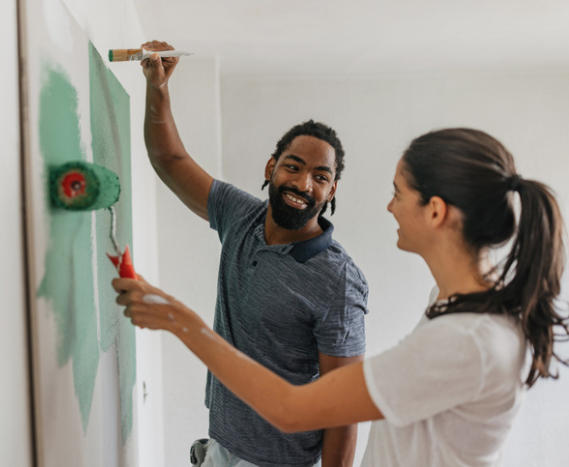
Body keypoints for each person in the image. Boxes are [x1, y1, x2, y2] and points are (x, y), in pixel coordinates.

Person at [114, 128, 568, 466]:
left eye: (398, 192)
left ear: (435, 211)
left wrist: (178, 320)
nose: (389, 206)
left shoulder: (466, 340)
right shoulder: (460, 302)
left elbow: (294, 411)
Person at [138, 40, 369, 467]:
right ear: (271, 168)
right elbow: (169, 158)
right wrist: (159, 88)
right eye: (293, 166)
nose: (303, 184)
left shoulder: (337, 279)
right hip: (219, 446)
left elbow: (344, 406)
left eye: (321, 176)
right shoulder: (239, 215)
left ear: (332, 190)